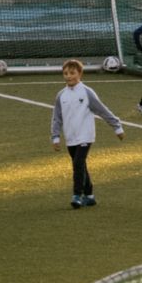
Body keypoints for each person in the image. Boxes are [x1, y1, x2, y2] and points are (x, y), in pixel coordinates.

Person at [49, 58, 123, 207]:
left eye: (72, 73)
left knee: (77, 164)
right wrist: (55, 136)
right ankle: (89, 195)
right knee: (80, 165)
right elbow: (56, 117)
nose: (69, 76)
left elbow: (102, 110)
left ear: (80, 74)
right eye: (65, 73)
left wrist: (117, 126)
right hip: (70, 137)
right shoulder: (61, 95)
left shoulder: (87, 92)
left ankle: (77, 195)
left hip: (85, 135)